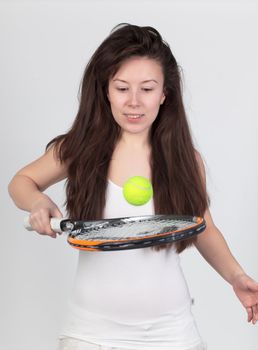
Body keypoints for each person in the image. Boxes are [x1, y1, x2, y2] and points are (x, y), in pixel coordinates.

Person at [8, 23, 258, 350]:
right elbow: (21, 182)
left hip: (174, 335)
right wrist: (37, 202)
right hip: (91, 336)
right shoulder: (78, 149)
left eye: (147, 88)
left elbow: (202, 227)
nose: (134, 102)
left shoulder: (185, 159)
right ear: (105, 91)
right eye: (122, 88)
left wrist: (237, 277)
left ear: (165, 93)